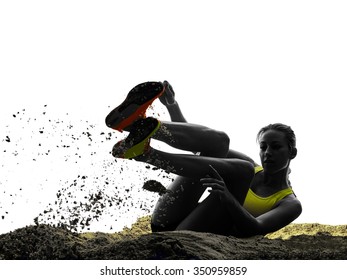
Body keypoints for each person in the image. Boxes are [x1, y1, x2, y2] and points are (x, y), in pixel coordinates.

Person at [105, 81, 302, 237]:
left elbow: (256, 228)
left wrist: (228, 198)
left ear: (292, 153)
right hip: (168, 218)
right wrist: (172, 105)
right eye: (263, 147)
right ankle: (137, 124)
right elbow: (199, 146)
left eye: (276, 147)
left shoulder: (289, 203)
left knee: (243, 170)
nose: (267, 153)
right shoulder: (251, 165)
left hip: (189, 236)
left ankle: (146, 154)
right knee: (220, 142)